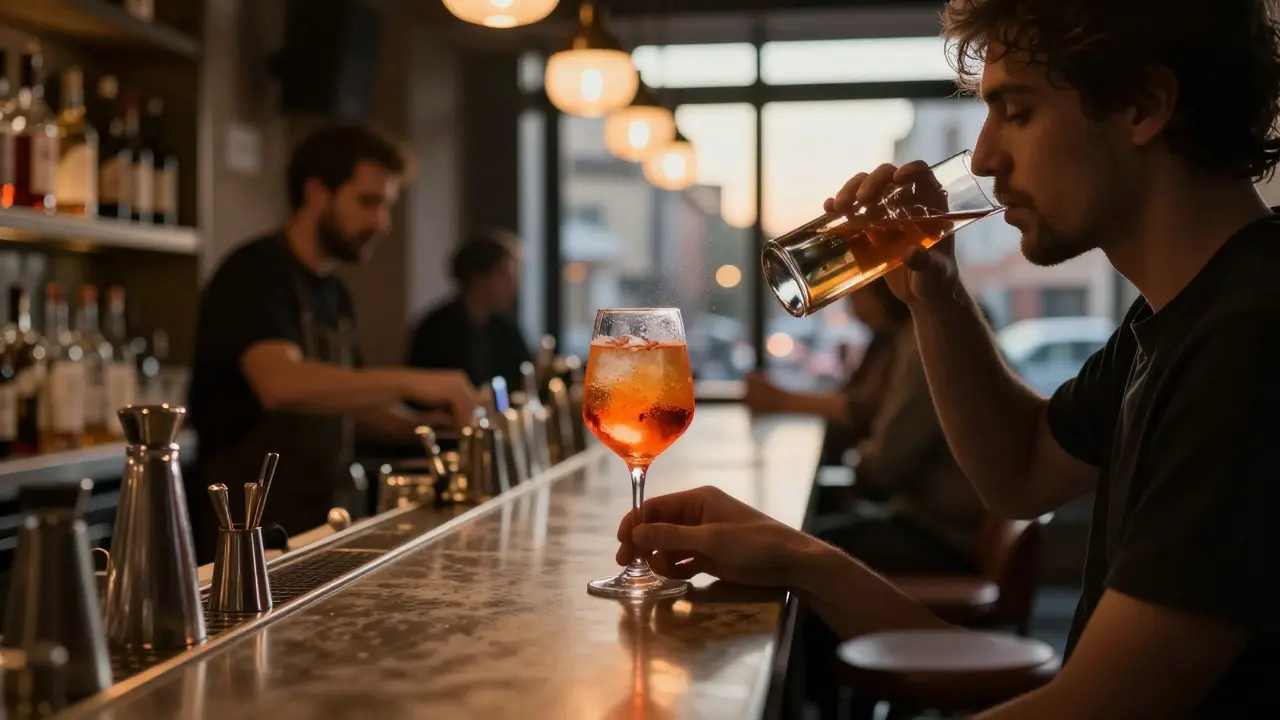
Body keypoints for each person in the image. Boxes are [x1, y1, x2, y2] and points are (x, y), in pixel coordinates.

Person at [614, 0, 1280, 716]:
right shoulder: (1180, 313)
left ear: (1143, 105)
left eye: (1016, 111)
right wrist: (934, 293)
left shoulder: (1251, 342)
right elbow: (1019, 471)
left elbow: (1089, 709)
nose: (987, 158)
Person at [188, 125, 478, 553]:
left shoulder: (332, 291)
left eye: (387, 205)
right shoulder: (255, 273)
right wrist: (413, 381)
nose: (382, 222)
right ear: (317, 192)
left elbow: (353, 403)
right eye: (368, 202)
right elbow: (280, 384)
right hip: (243, 533)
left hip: (318, 524)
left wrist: (424, 425)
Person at [405, 229, 533, 390]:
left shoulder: (507, 329)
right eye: (504, 275)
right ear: (477, 276)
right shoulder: (435, 329)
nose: (513, 286)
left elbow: (524, 383)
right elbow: (418, 390)